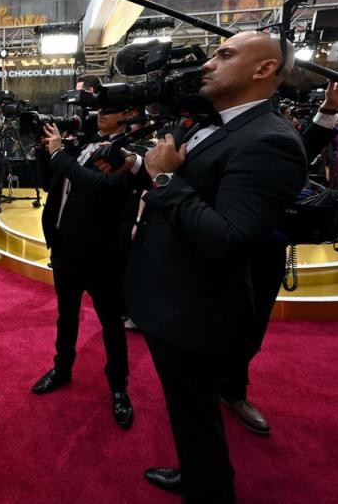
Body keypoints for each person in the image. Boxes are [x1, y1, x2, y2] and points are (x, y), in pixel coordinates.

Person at [126, 31, 307, 502]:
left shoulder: (270, 140)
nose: (208, 64)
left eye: (225, 55)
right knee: (191, 413)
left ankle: (209, 490)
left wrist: (164, 176)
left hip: (196, 310)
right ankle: (203, 475)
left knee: (194, 411)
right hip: (175, 299)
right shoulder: (224, 125)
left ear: (264, 70)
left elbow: (229, 238)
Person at [222, 73, 338, 436]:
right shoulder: (213, 127)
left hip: (265, 252)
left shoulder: (274, 139)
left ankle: (234, 391)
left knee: (251, 328)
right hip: (214, 249)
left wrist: (330, 108)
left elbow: (299, 154)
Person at [32, 107, 143, 430]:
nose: (98, 115)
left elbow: (101, 186)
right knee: (66, 315)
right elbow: (53, 183)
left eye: (107, 110)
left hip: (103, 253)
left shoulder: (133, 152)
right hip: (65, 248)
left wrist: (58, 156)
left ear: (127, 113)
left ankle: (119, 388)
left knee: (111, 323)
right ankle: (62, 368)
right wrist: (45, 152)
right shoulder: (83, 145)